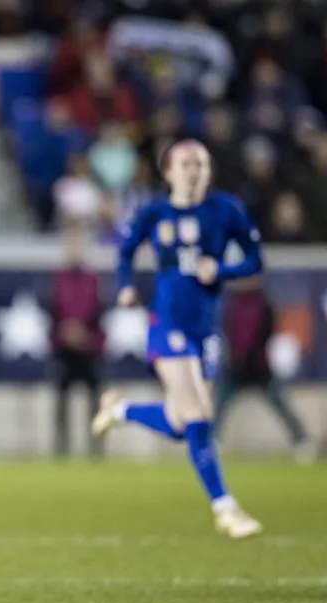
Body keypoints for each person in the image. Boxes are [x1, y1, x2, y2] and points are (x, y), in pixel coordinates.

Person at [91, 140, 264, 540]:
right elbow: (125, 252)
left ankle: (121, 411)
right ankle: (225, 508)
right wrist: (126, 288)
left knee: (180, 423)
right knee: (201, 417)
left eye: (201, 164)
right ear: (168, 171)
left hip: (206, 330)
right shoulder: (155, 212)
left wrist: (222, 268)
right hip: (167, 324)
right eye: (186, 164)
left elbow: (256, 258)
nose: (194, 171)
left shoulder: (225, 210)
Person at [213, 275, 313, 459]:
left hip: (259, 367)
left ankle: (302, 440)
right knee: (219, 404)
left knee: (280, 403)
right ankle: (212, 443)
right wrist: (234, 357)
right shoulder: (233, 305)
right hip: (235, 367)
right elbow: (229, 333)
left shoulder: (264, 305)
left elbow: (264, 334)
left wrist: (249, 355)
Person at [49, 220, 104, 458]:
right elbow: (54, 308)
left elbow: (97, 308)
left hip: (88, 347)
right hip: (64, 348)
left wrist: (82, 331)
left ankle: (96, 447)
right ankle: (62, 448)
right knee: (62, 399)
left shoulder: (92, 278)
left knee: (94, 399)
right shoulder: (58, 278)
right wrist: (67, 330)